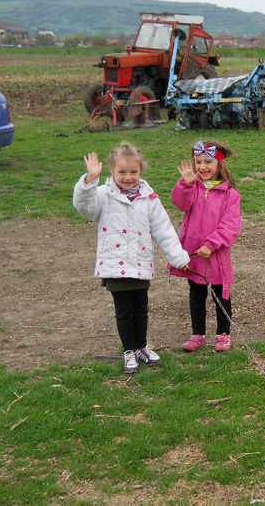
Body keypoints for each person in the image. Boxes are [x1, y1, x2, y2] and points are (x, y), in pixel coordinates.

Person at [73, 142, 190, 374]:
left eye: (133, 172)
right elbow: (84, 208)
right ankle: (129, 350)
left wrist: (178, 257)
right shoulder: (103, 195)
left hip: (139, 263)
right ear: (112, 171)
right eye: (122, 172)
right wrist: (88, 182)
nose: (128, 177)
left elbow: (163, 229)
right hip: (115, 265)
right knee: (124, 310)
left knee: (141, 308)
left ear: (141, 171)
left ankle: (141, 347)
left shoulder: (149, 198)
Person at [170, 140, 241, 352]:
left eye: (208, 162)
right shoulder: (193, 186)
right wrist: (186, 184)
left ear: (220, 164)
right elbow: (180, 203)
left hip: (216, 255)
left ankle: (223, 334)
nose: (203, 167)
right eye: (198, 162)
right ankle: (198, 334)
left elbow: (230, 225)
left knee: (220, 295)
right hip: (194, 252)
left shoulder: (230, 194)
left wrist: (212, 244)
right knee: (196, 293)